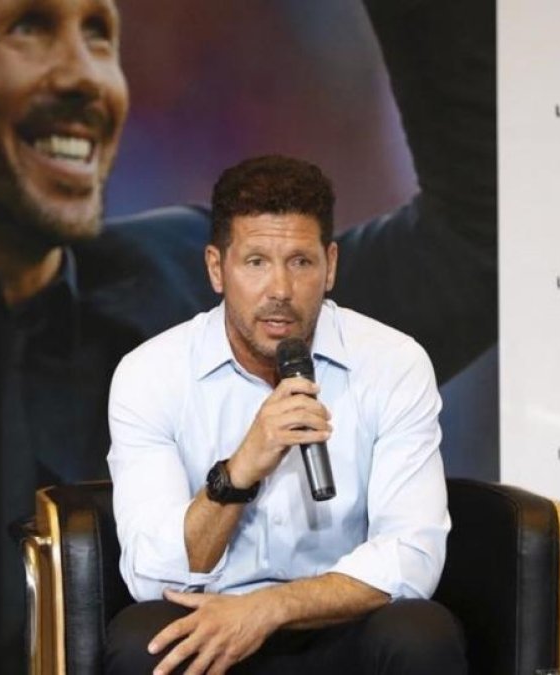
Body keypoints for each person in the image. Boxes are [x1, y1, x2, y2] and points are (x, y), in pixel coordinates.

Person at [0, 0, 493, 671]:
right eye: (31, 28)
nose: (86, 75)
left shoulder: (184, 283)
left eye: (100, 33)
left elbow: (481, 240)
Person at [107, 155, 466, 675]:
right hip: (213, 618)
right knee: (148, 646)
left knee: (420, 635)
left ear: (331, 266)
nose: (279, 290)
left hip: (336, 618)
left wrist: (271, 608)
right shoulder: (151, 373)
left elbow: (413, 555)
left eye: (300, 261)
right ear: (216, 268)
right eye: (255, 262)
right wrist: (239, 472)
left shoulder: (393, 363)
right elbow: (151, 576)